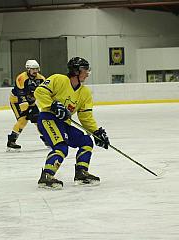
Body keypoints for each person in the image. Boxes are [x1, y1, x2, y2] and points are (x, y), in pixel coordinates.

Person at [34, 57, 110, 188]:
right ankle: (46, 176)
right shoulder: (59, 79)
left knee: (86, 142)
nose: (87, 73)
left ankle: (81, 173)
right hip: (48, 119)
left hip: (64, 123)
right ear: (76, 71)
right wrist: (53, 105)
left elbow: (85, 116)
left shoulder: (84, 92)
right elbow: (40, 91)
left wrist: (96, 132)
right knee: (61, 147)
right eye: (85, 70)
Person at [6, 59, 46, 151]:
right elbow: (21, 94)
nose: (35, 71)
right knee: (22, 120)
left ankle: (46, 139)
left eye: (37, 69)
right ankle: (11, 141)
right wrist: (25, 108)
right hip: (16, 101)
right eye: (33, 69)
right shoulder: (21, 78)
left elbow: (44, 92)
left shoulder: (41, 79)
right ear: (28, 69)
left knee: (38, 119)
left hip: (30, 102)